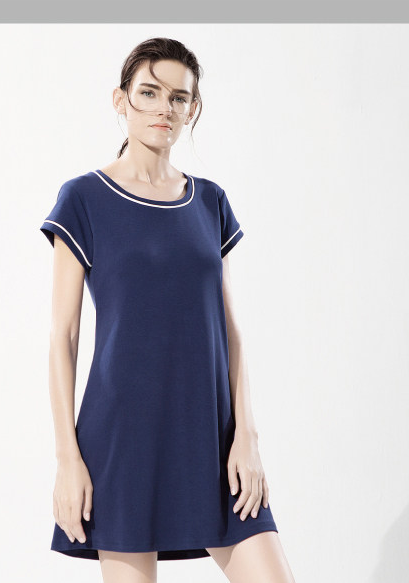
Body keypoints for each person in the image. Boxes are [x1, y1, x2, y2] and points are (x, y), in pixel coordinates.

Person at [40, 37, 296, 583]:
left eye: (179, 98)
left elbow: (231, 331)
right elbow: (63, 337)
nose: (165, 108)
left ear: (192, 108)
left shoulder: (210, 202)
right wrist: (68, 459)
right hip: (123, 438)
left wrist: (246, 438)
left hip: (210, 436)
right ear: (121, 100)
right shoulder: (84, 198)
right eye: (150, 92)